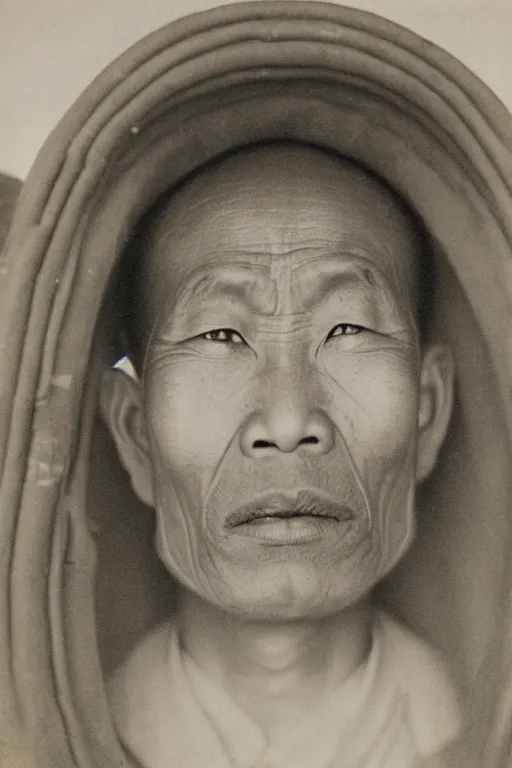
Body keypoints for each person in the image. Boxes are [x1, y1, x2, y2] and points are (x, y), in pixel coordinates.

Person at [99, 141, 461, 768]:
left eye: (348, 328)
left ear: (428, 410)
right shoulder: (62, 730)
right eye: (219, 334)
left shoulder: (476, 724)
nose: (289, 422)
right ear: (136, 434)